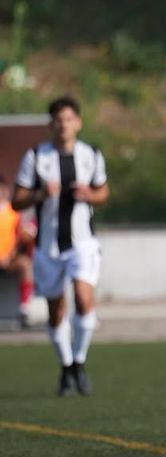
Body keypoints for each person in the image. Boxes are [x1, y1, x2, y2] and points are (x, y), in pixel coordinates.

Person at [12, 95, 109, 396]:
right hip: (48, 246)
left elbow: (103, 191)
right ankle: (66, 367)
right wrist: (40, 194)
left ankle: (79, 361)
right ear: (50, 124)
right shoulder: (36, 157)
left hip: (82, 243)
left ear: (78, 123)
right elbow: (17, 200)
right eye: (58, 120)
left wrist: (90, 195)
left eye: (69, 119)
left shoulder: (91, 154)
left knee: (83, 297)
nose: (64, 125)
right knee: (56, 311)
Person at [0, 175, 35, 328]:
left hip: (9, 259)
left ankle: (24, 309)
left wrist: (9, 255)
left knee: (25, 264)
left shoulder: (14, 212)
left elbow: (20, 238)